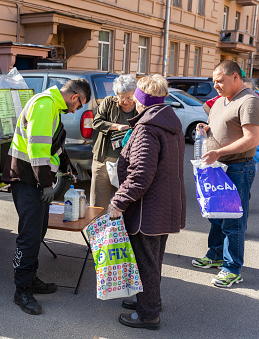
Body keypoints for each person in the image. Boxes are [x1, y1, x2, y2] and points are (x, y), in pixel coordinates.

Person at [1, 79, 91, 315]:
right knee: (29, 236)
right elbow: (37, 148)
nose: (78, 109)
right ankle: (21, 290)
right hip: (28, 181)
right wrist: (46, 185)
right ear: (75, 97)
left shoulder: (52, 106)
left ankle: (31, 278)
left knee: (38, 231)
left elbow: (55, 145)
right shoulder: (45, 104)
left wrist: (66, 167)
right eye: (80, 105)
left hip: (36, 182)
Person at [108, 74, 186, 330]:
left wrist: (118, 202)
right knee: (152, 260)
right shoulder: (169, 121)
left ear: (142, 101)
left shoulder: (147, 128)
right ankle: (148, 301)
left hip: (147, 210)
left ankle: (148, 314)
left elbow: (140, 175)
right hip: (165, 206)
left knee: (146, 262)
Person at [191, 60, 259, 288]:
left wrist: (218, 151)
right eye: (214, 81)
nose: (216, 85)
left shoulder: (249, 101)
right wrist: (206, 128)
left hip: (238, 168)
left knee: (233, 220)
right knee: (217, 215)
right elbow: (223, 126)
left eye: (219, 81)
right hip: (219, 168)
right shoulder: (221, 101)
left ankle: (232, 269)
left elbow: (251, 138)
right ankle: (216, 255)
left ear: (235, 77)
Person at [90, 74, 138, 212]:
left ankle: (119, 232)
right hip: (103, 158)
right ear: (116, 94)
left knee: (123, 203)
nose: (125, 101)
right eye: (121, 97)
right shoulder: (108, 102)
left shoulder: (140, 108)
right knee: (98, 203)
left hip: (127, 162)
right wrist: (116, 127)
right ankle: (98, 231)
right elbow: (96, 122)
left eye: (129, 97)